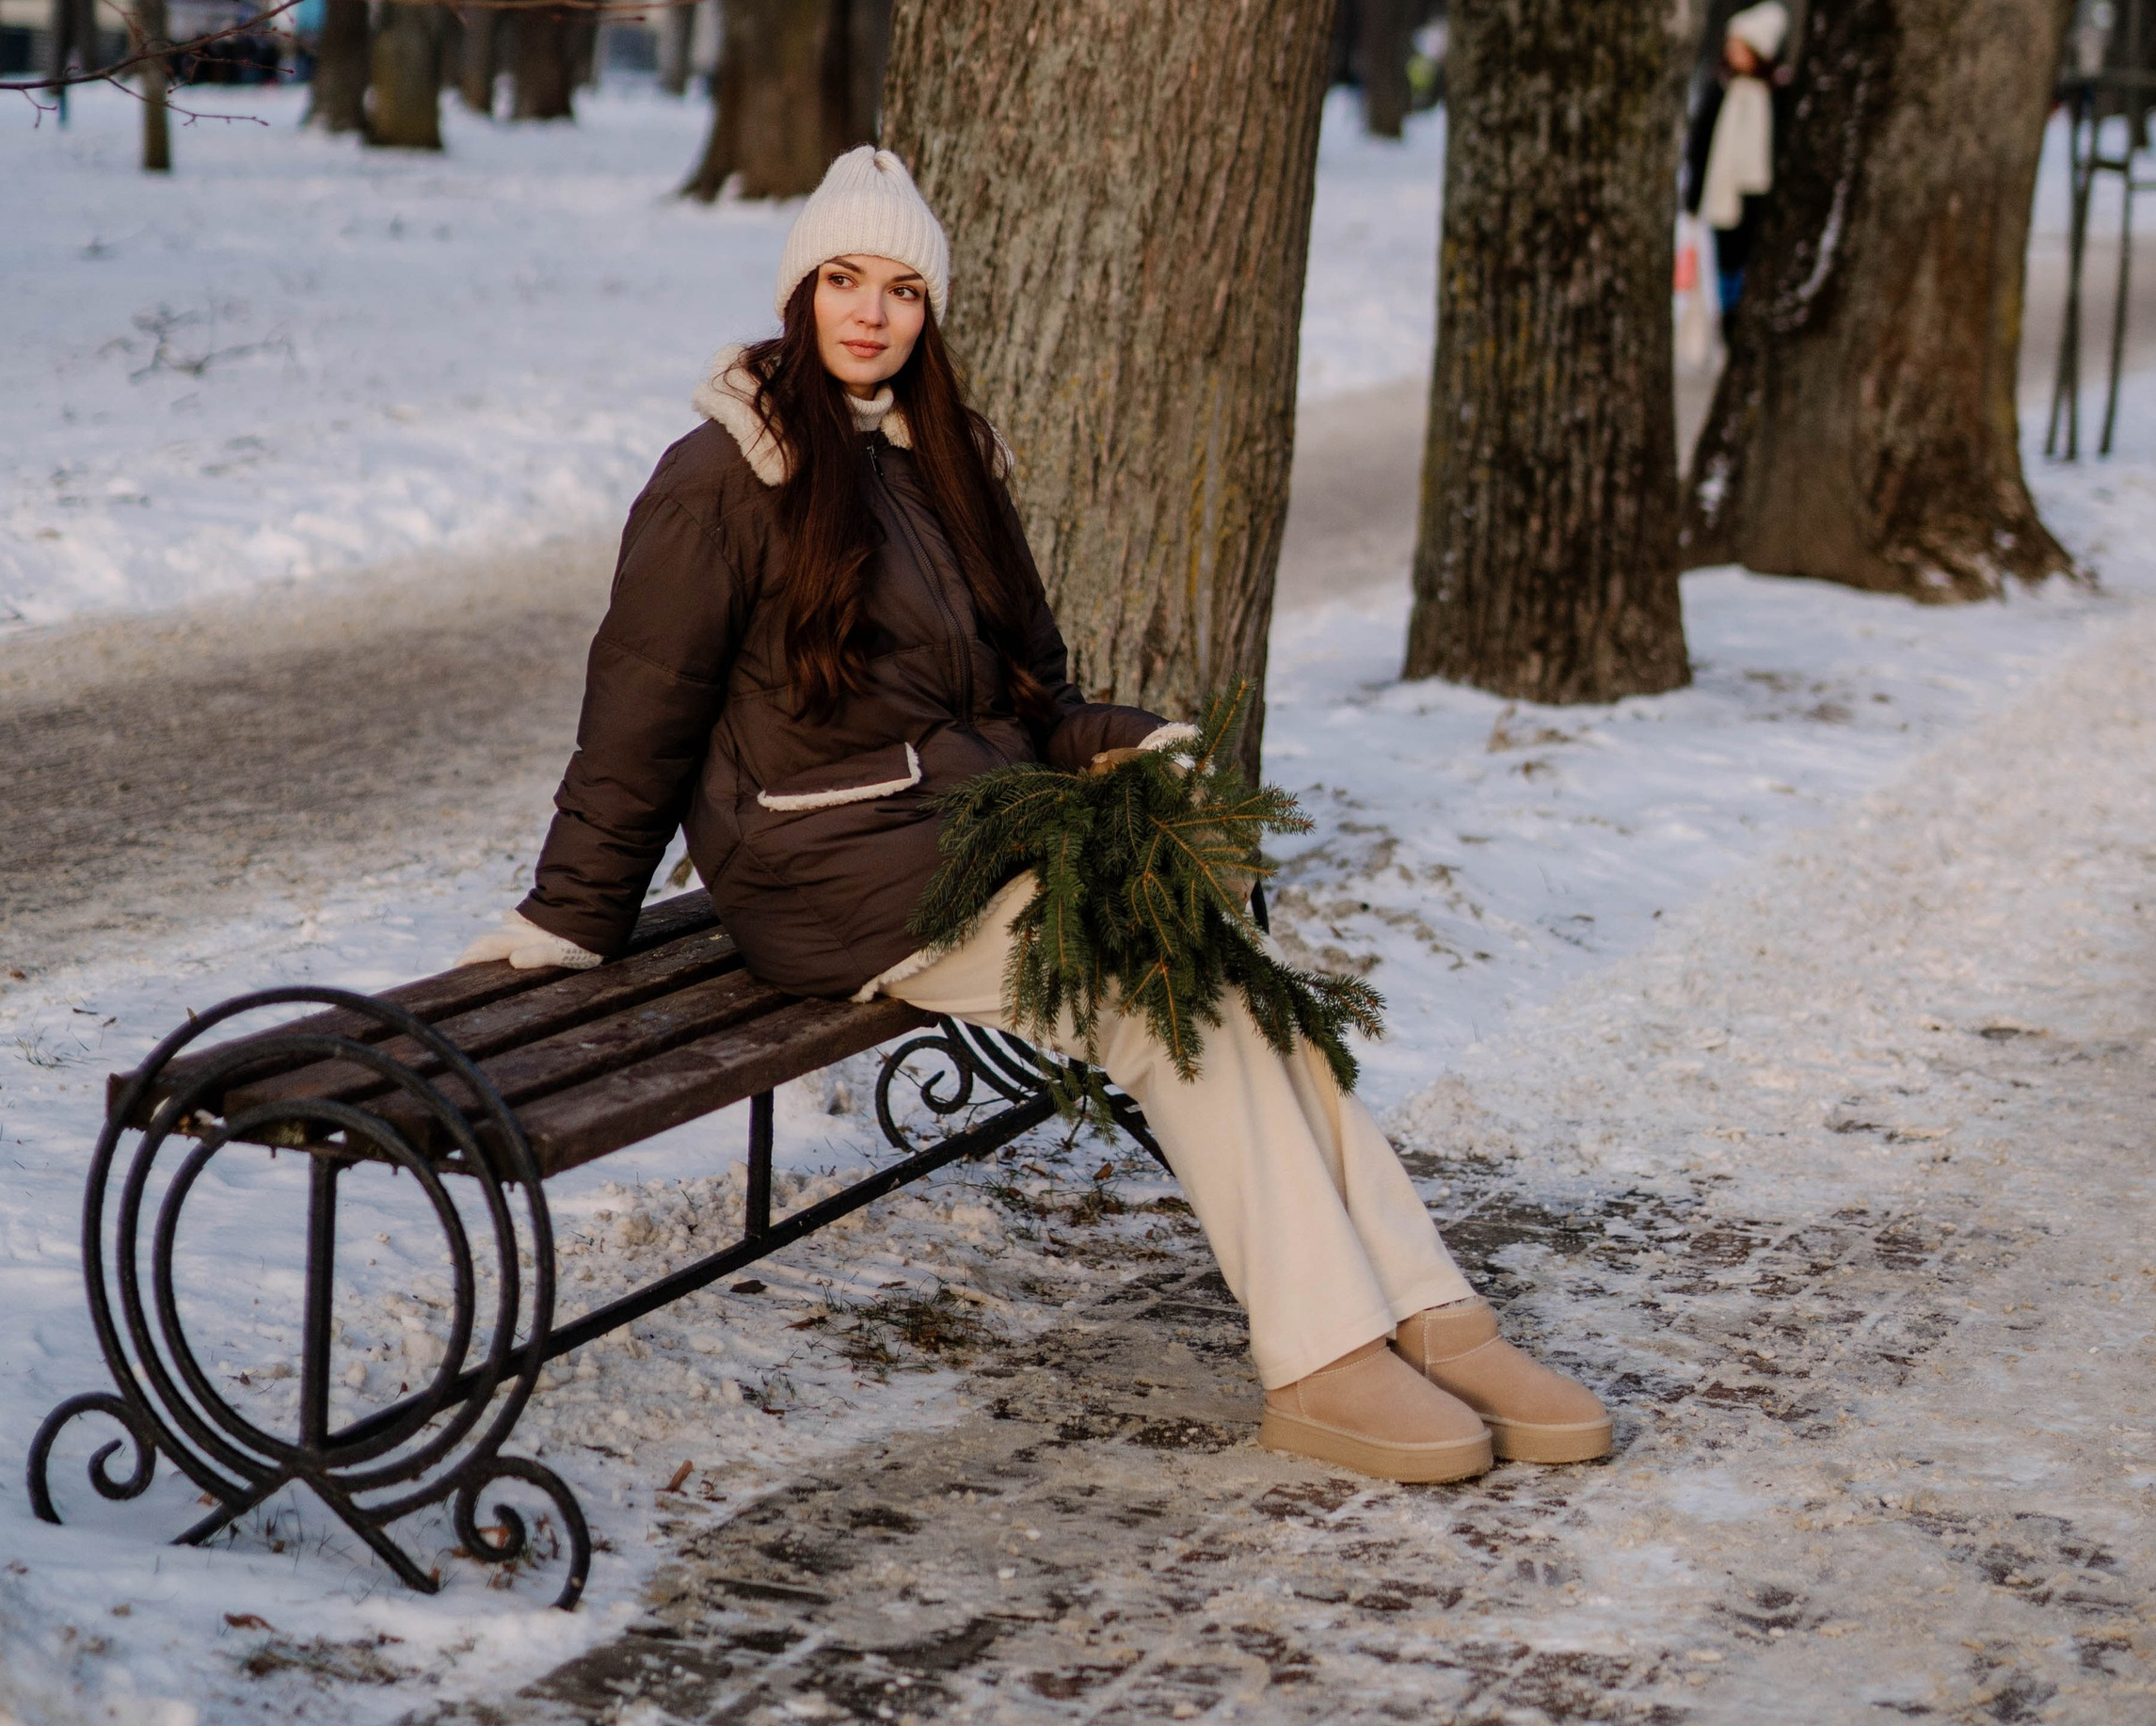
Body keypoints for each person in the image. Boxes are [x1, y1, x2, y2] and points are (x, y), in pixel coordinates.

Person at [465, 144, 1611, 1488]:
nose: (869, 312)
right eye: (842, 278)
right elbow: (641, 700)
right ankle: (1324, 1362)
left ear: (929, 312)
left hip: (965, 844)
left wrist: (1126, 744)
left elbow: (1032, 695)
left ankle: (1432, 1315)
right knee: (1147, 980)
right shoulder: (726, 474)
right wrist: (575, 909)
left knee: (1221, 966)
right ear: (799, 290)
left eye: (900, 288)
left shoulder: (946, 465)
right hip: (824, 873)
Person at [1685, 0, 1791, 326]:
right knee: (1726, 264)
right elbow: (1700, 145)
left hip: (1760, 198)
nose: (1732, 53)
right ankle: (1729, 316)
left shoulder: (1778, 97)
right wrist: (1693, 195)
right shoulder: (1721, 92)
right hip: (1724, 197)